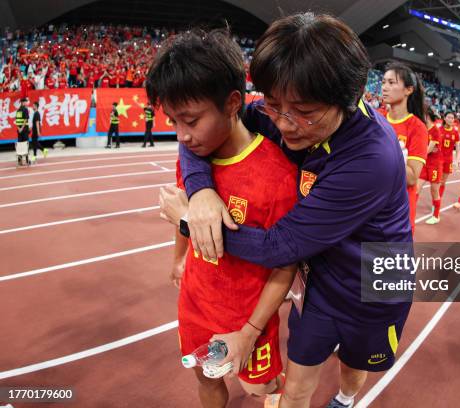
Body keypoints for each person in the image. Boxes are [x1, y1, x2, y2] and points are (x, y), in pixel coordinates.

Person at [162, 13, 412, 408]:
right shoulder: (284, 108)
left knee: (353, 363)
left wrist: (189, 222)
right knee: (297, 386)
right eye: (275, 105)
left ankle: (346, 399)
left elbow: (282, 245)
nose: (284, 124)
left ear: (352, 95)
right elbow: (204, 131)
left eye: (304, 112)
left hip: (375, 278)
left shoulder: (371, 159)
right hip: (320, 273)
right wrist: (201, 192)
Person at [147, 29, 295, 407]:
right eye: (173, 122)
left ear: (232, 104)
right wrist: (178, 258)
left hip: (249, 316)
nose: (182, 136)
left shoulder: (276, 176)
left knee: (263, 388)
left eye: (191, 121)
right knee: (205, 379)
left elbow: (286, 263)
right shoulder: (195, 156)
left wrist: (250, 330)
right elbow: (189, 214)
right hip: (196, 304)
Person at [381, 62, 428, 233]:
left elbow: (412, 178)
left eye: (392, 83)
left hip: (398, 215)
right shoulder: (377, 119)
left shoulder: (417, 128)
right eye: (383, 82)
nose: (385, 87)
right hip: (372, 208)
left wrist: (387, 155)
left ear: (408, 90)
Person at [416, 107, 443, 224]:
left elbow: (427, 150)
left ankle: (436, 216)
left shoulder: (435, 131)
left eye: (423, 114)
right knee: (416, 188)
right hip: (425, 163)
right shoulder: (422, 128)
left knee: (434, 191)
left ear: (428, 116)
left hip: (434, 165)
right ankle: (408, 212)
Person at [438, 111, 460, 201]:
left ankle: (438, 201)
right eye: (449, 117)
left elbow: (458, 149)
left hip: (448, 160)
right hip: (438, 159)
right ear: (444, 118)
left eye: (452, 118)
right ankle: (435, 199)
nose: (451, 119)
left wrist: (456, 160)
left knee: (443, 182)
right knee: (437, 181)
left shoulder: (455, 132)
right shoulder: (439, 129)